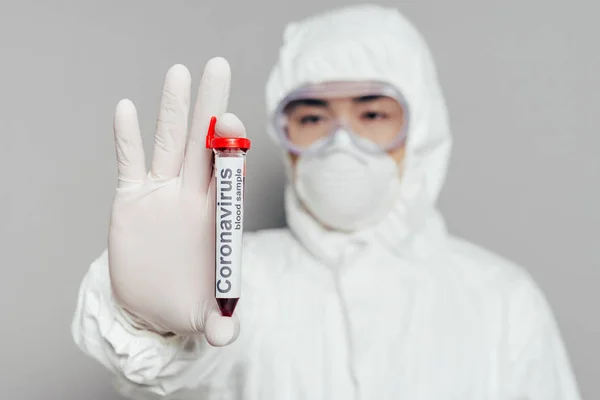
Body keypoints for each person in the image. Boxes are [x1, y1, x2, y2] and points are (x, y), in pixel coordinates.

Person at [71, 4, 582, 399]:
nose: (341, 143)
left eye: (373, 114)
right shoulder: (242, 282)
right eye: (313, 118)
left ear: (421, 129)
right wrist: (146, 322)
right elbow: (176, 367)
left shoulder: (502, 300)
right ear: (286, 134)